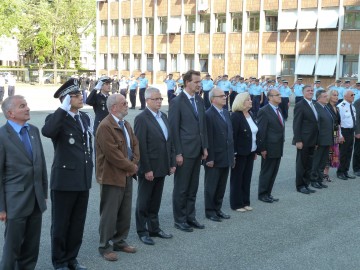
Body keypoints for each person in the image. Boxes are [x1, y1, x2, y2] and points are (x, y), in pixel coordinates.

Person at [42, 78, 93, 270]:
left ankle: (72, 258)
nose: (81, 97)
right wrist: (62, 110)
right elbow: (47, 131)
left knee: (77, 223)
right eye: (76, 95)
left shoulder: (84, 118)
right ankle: (60, 261)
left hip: (82, 179)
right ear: (65, 99)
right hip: (64, 181)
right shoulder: (56, 119)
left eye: (80, 94)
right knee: (61, 224)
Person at [0, 95, 48, 270]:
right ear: (11, 113)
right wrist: (1, 207)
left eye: (26, 105)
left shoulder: (33, 130)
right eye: (22, 106)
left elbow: (40, 163)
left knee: (31, 248)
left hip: (36, 199)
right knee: (12, 249)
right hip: (15, 202)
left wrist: (44, 193)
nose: (27, 108)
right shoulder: (2, 135)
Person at [96, 94, 139, 261]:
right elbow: (112, 154)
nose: (127, 105)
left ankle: (119, 241)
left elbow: (135, 145)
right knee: (109, 213)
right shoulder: (105, 126)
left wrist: (134, 164)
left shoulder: (126, 124)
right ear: (113, 107)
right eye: (124, 103)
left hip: (127, 174)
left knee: (124, 211)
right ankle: (104, 246)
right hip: (111, 176)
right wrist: (131, 167)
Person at [134, 87, 176, 245]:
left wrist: (171, 163)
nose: (159, 101)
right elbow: (140, 146)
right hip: (149, 168)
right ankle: (142, 231)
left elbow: (169, 141)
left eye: (160, 99)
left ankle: (154, 228)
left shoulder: (163, 116)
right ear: (147, 101)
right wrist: (146, 169)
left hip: (162, 166)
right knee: (144, 201)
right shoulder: (142, 118)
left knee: (155, 200)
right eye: (156, 99)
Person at [169, 70, 208, 232]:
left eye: (200, 82)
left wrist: (204, 147)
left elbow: (202, 126)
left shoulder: (199, 100)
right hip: (184, 152)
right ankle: (180, 219)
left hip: (197, 150)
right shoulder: (177, 102)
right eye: (196, 82)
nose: (200, 84)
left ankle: (190, 217)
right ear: (187, 83)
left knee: (193, 187)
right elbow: (173, 129)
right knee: (182, 188)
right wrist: (177, 152)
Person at [204, 87, 234, 222]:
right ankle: (210, 211)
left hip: (225, 155)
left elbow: (230, 135)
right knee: (211, 185)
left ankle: (218, 208)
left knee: (221, 185)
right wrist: (209, 158)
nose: (225, 97)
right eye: (221, 96)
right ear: (213, 99)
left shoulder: (226, 113)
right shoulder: (208, 115)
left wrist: (232, 155)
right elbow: (208, 138)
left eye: (225, 95)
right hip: (214, 157)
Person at [230, 92, 258, 212]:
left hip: (250, 152)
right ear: (241, 102)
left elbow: (254, 133)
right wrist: (234, 155)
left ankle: (245, 202)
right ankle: (236, 204)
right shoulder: (236, 116)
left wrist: (255, 149)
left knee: (247, 178)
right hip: (240, 153)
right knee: (237, 179)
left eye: (250, 99)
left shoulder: (250, 114)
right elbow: (233, 137)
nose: (251, 101)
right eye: (248, 100)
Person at [257, 89, 285, 203]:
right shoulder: (264, 111)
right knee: (267, 171)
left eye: (279, 94)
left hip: (278, 146)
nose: (280, 96)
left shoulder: (279, 109)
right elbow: (261, 131)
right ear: (270, 97)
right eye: (277, 95)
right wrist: (262, 148)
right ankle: (262, 194)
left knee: (274, 171)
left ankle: (268, 193)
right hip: (269, 147)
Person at [293, 85, 318, 194]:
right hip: (303, 140)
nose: (311, 92)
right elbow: (296, 124)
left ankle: (306, 184)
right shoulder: (300, 105)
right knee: (301, 164)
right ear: (303, 93)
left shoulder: (314, 104)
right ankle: (300, 186)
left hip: (313, 140)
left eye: (312, 90)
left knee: (309, 164)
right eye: (308, 90)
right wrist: (298, 140)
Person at [309, 90, 333, 189]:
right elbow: (316, 126)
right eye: (324, 96)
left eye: (327, 96)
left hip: (327, 139)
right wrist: (316, 140)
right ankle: (313, 180)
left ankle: (319, 179)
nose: (327, 98)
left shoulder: (326, 107)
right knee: (316, 161)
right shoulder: (316, 108)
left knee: (323, 161)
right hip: (320, 140)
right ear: (318, 98)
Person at [323, 89, 343, 181]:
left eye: (337, 95)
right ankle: (322, 173)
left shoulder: (337, 108)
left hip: (335, 133)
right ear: (330, 96)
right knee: (327, 154)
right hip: (328, 134)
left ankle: (326, 173)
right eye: (334, 95)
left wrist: (340, 135)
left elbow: (339, 123)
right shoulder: (326, 107)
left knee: (332, 154)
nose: (336, 97)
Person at [337, 89, 357, 180]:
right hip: (344, 131)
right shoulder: (341, 106)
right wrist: (340, 135)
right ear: (345, 96)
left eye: (353, 95)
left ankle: (346, 171)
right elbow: (338, 122)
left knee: (349, 151)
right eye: (351, 95)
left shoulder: (352, 107)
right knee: (343, 152)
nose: (353, 96)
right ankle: (340, 172)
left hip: (351, 131)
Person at [353, 84, 360, 176]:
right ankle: (356, 168)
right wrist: (357, 132)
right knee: (358, 150)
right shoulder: (358, 103)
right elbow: (356, 118)